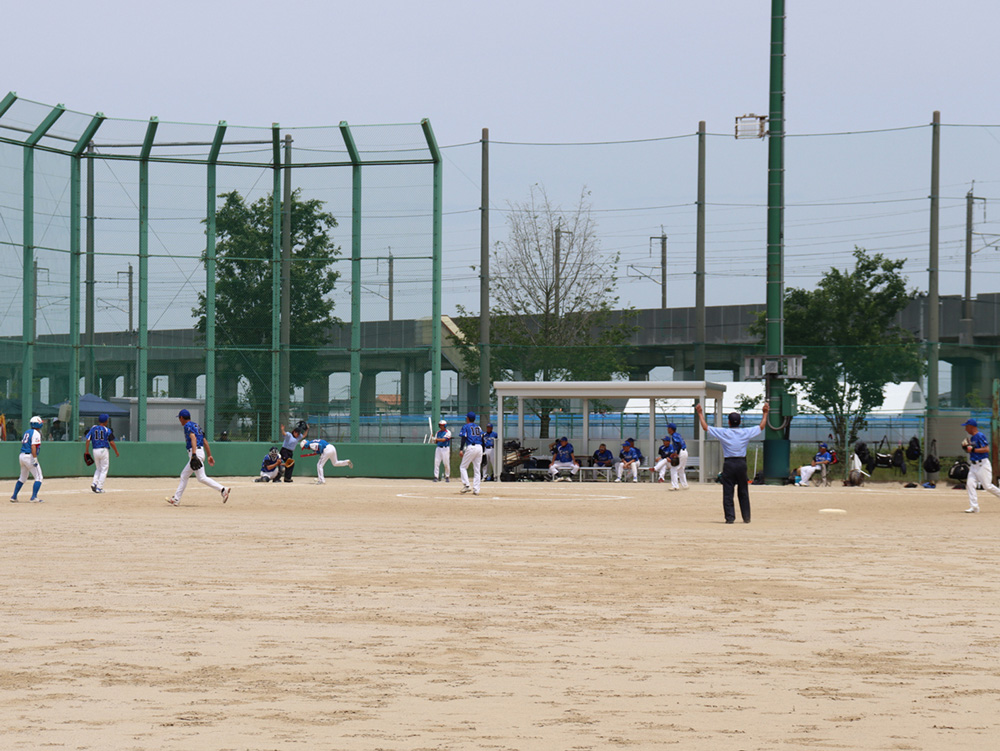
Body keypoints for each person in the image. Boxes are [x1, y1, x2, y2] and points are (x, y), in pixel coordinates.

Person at [695, 402, 769, 524]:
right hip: (741, 463)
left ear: (729, 422)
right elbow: (761, 426)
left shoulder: (724, 432)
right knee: (743, 491)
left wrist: (700, 414)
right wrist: (765, 413)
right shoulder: (745, 432)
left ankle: (730, 518)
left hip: (729, 463)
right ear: (739, 422)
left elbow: (705, 427)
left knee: (728, 492)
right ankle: (746, 517)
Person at [166, 409, 230, 506]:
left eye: (179, 418)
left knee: (189, 476)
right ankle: (222, 490)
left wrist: (194, 455)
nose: (179, 420)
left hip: (195, 452)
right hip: (200, 452)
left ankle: (176, 499)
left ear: (182, 418)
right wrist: (209, 455)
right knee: (197, 477)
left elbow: (193, 438)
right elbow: (204, 441)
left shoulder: (187, 426)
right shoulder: (196, 426)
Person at [961, 418, 1000, 513]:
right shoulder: (973, 438)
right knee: (970, 484)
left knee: (987, 486)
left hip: (982, 464)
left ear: (972, 427)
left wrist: (972, 450)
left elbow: (986, 449)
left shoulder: (980, 435)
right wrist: (967, 448)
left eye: (967, 427)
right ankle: (974, 507)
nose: (965, 429)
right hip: (974, 465)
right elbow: (972, 450)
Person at [10, 416, 45, 503]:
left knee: (23, 477)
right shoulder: (36, 433)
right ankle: (34, 497)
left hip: (22, 456)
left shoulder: (27, 432)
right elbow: (33, 446)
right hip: (29, 456)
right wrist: (35, 458)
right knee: (39, 477)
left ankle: (14, 496)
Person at [84, 413, 119, 493]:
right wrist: (116, 451)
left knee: (98, 468)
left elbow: (88, 440)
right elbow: (112, 442)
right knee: (104, 469)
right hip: (104, 450)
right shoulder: (107, 430)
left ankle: (94, 483)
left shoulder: (93, 428)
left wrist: (87, 451)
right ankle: (99, 487)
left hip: (95, 450)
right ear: (106, 421)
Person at [458, 411, 485, 495]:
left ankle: (466, 485)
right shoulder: (478, 427)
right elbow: (482, 438)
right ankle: (476, 490)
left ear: (468, 418)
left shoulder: (466, 426)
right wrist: (483, 450)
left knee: (463, 467)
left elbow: (463, 438)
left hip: (471, 447)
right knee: (477, 470)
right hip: (479, 447)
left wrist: (461, 449)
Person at [666, 423, 689, 490]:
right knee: (681, 469)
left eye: (668, 428)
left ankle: (675, 486)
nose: (667, 430)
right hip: (684, 451)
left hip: (681, 452)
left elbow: (678, 444)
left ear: (671, 429)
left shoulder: (674, 436)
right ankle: (685, 485)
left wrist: (676, 453)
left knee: (674, 468)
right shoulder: (678, 435)